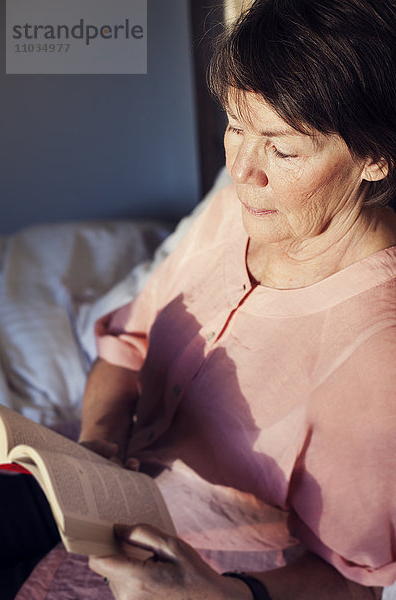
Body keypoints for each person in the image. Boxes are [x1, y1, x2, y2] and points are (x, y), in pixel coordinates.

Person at [78, 0, 396, 598]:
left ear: (376, 157)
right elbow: (125, 349)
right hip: (102, 506)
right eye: (234, 125)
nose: (240, 169)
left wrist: (221, 594)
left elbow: (354, 583)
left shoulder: (379, 358)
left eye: (282, 149)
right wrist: (96, 445)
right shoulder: (238, 209)